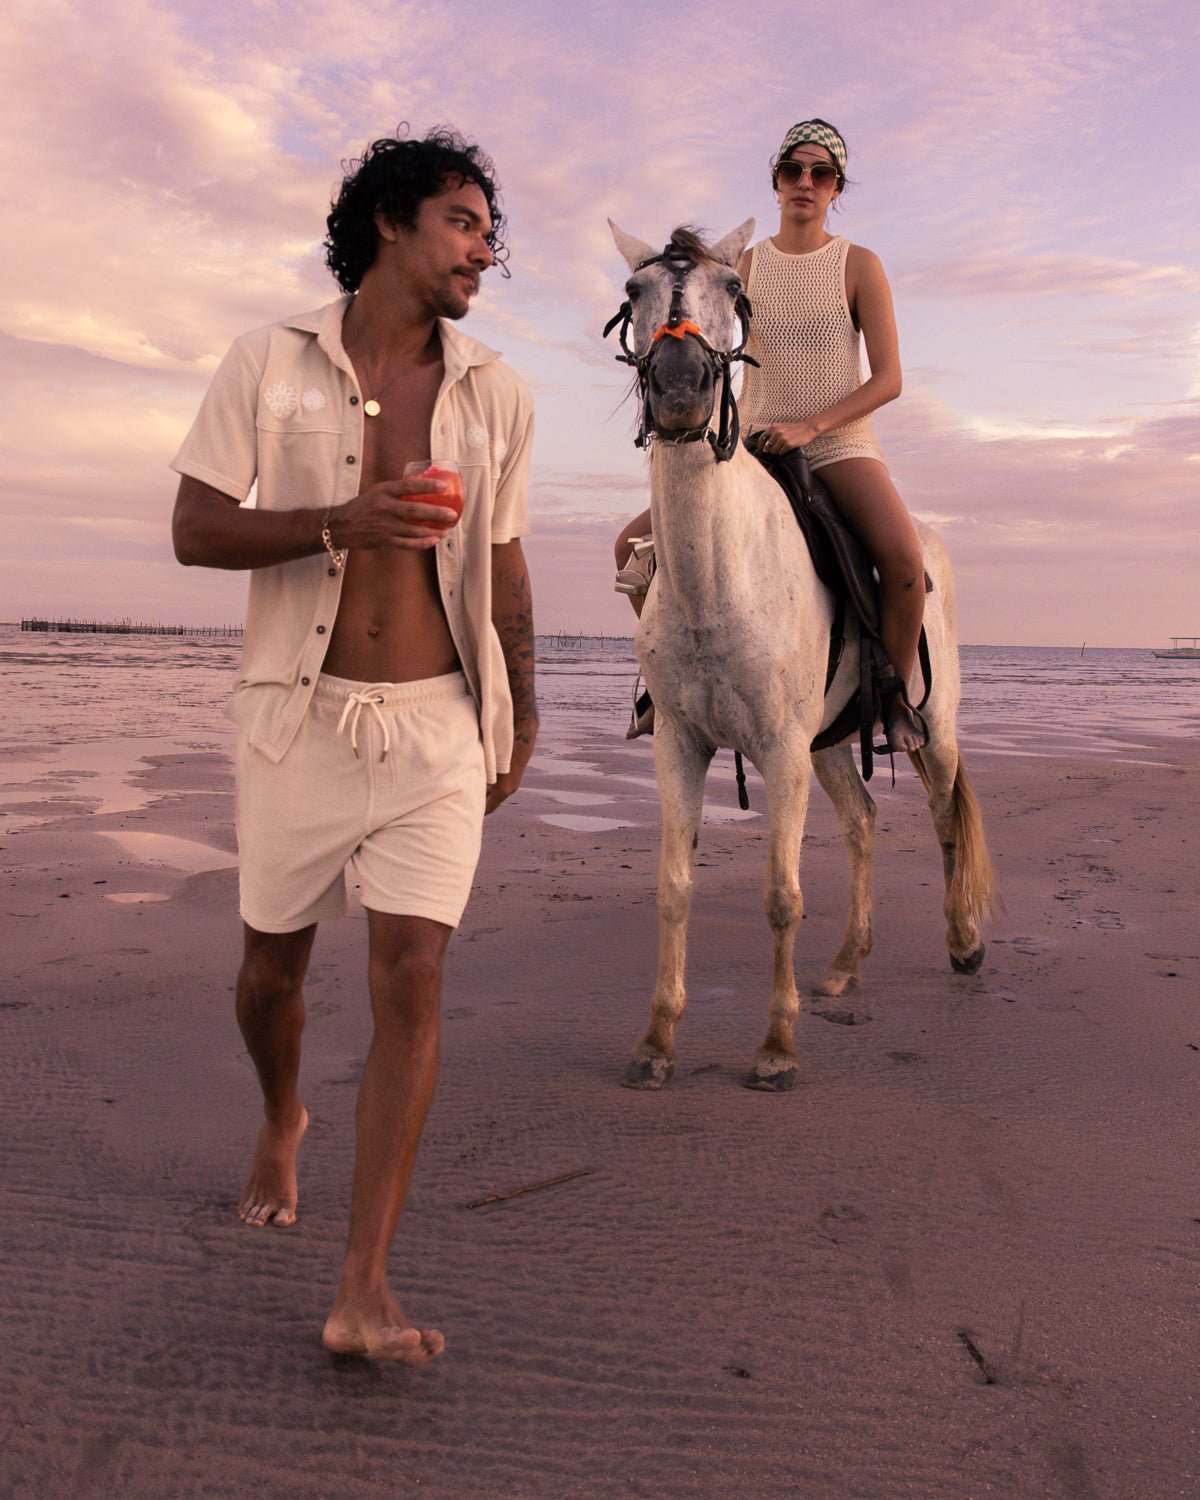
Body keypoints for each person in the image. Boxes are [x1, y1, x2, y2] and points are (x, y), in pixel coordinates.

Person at [170, 128, 537, 1363]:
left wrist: (521, 705)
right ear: (391, 219)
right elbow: (193, 528)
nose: (484, 250)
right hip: (298, 720)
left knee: (412, 980)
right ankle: (283, 1113)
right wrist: (342, 518)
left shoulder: (496, 391)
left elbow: (500, 555)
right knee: (271, 976)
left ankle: (363, 1283)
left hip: (438, 722)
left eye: (491, 231)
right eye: (464, 221)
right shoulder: (265, 363)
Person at [614, 118, 927, 752]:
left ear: (837, 187)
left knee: (904, 561)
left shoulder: (859, 264)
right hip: (750, 447)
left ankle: (891, 691)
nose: (805, 183)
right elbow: (705, 344)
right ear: (776, 183)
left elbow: (889, 378)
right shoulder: (742, 268)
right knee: (629, 548)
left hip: (838, 444)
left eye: (821, 173)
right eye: (793, 171)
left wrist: (810, 426)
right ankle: (666, 682)